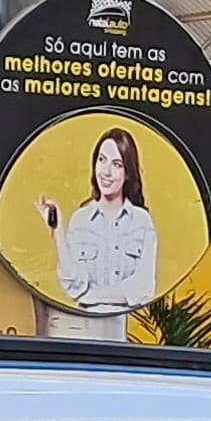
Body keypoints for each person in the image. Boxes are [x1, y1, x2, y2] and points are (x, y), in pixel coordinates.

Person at [36, 127, 159, 315]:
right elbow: (73, 286)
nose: (106, 172)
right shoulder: (80, 220)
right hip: (85, 325)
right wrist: (58, 230)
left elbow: (143, 286)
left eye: (117, 164)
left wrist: (93, 296)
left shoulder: (142, 222)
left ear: (127, 172)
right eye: (102, 160)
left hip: (128, 326)